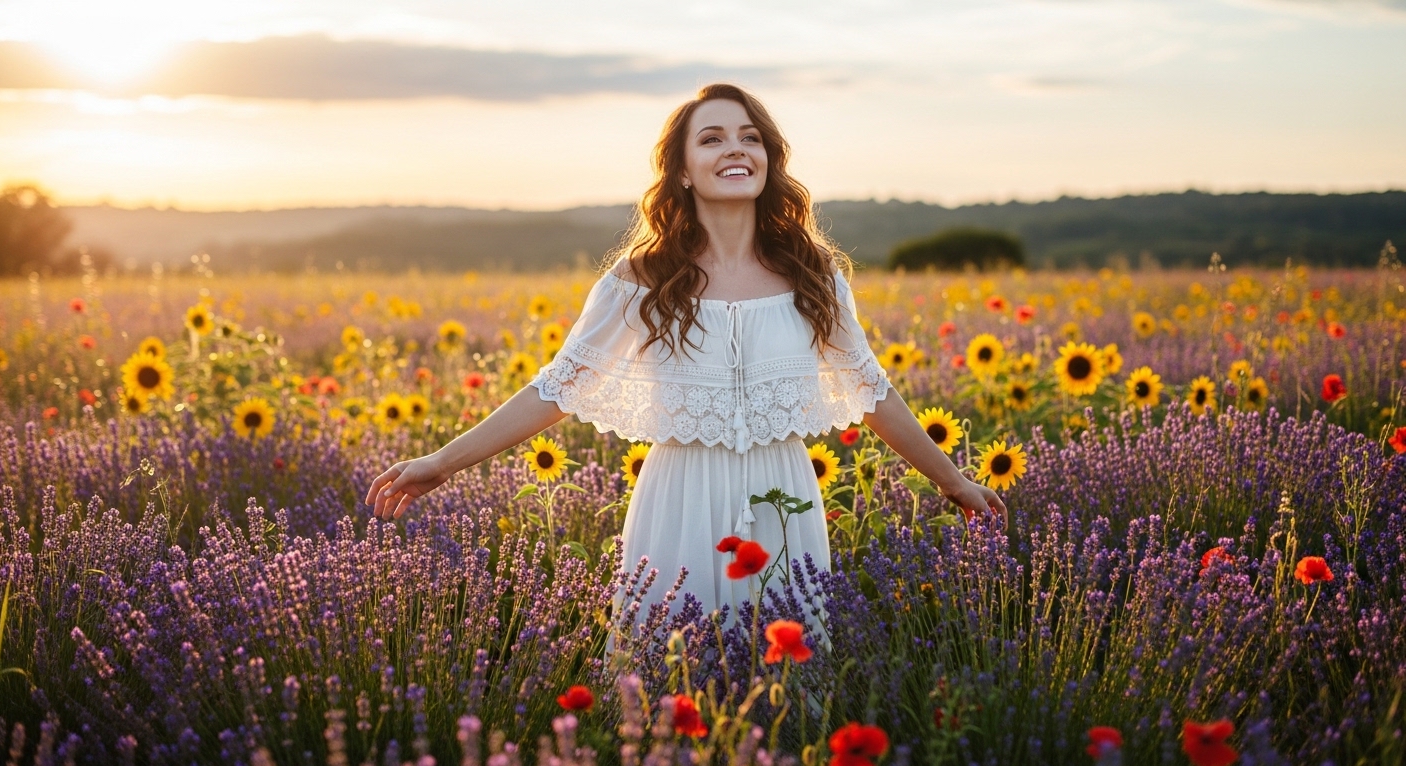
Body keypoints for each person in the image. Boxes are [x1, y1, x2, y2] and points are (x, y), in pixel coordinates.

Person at [365, 83, 1007, 625]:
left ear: (769, 159)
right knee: (673, 681)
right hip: (677, 503)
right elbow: (557, 389)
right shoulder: (640, 279)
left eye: (750, 137)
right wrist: (442, 462)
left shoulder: (814, 273)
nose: (736, 148)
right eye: (712, 138)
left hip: (783, 503)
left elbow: (870, 390)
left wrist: (954, 482)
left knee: (786, 690)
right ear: (681, 169)